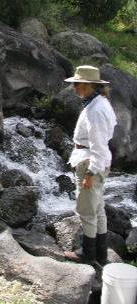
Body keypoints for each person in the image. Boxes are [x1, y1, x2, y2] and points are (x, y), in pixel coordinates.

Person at [63, 65, 117, 266]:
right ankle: (101, 255)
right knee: (98, 208)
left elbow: (99, 146)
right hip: (93, 160)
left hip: (90, 163)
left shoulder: (96, 110)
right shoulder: (99, 103)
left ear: (89, 85)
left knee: (86, 210)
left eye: (77, 84)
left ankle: (88, 254)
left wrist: (90, 173)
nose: (74, 87)